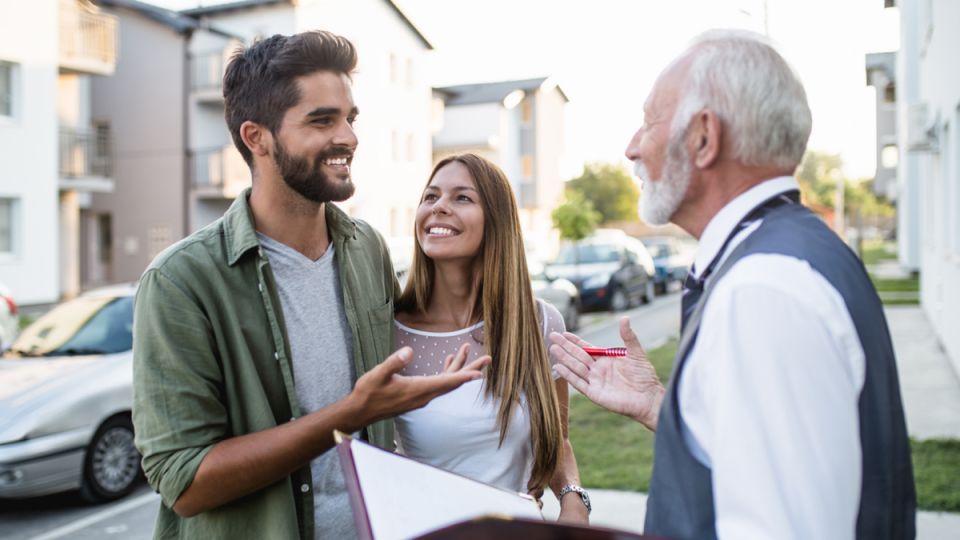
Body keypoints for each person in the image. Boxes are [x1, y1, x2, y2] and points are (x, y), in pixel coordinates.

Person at [550, 29, 915, 539]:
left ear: (703, 137)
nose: (631, 148)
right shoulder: (794, 253)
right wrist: (662, 408)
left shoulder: (763, 290)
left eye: (649, 121)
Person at [132, 31, 488, 540]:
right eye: (322, 120)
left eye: (350, 118)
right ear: (257, 138)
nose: (348, 136)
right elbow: (184, 483)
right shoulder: (180, 282)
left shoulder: (366, 247)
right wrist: (349, 414)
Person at [393, 154, 590, 524]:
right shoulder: (391, 333)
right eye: (430, 197)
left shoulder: (540, 323)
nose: (439, 208)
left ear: (496, 221)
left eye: (462, 198)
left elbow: (557, 440)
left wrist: (573, 500)